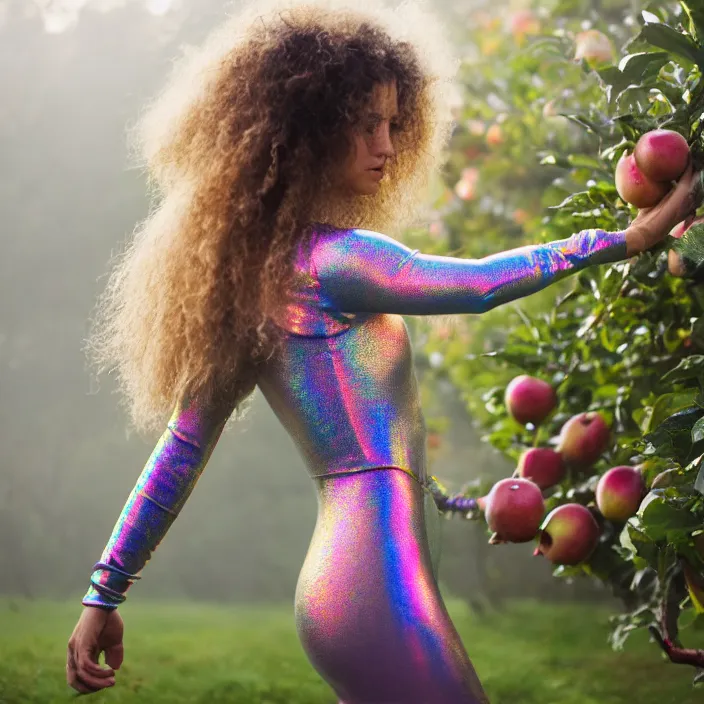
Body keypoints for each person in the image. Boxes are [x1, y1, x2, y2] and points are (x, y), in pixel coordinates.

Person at [65, 1, 703, 702]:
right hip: (372, 581)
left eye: (394, 123)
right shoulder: (336, 261)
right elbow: (480, 283)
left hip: (352, 582)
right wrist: (624, 240)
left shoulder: (263, 280)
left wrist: (105, 592)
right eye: (366, 123)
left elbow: (182, 448)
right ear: (305, 130)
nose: (387, 144)